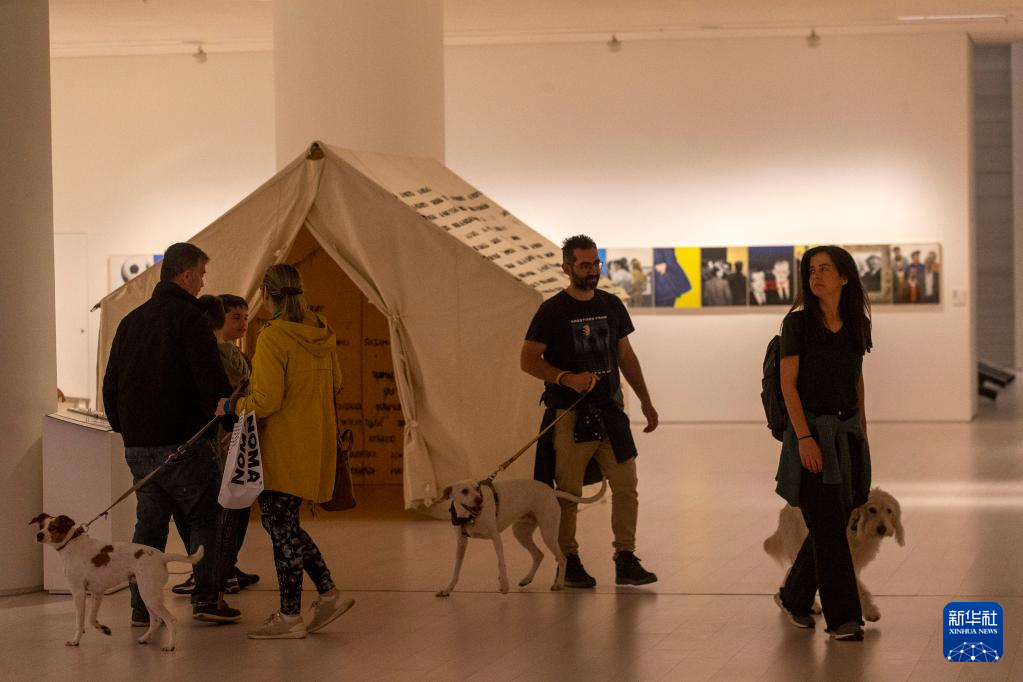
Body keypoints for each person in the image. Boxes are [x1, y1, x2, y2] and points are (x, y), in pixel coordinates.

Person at [102, 242, 241, 625]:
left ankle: (141, 607)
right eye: (201, 274)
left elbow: (110, 384)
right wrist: (227, 419)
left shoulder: (131, 321)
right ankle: (207, 599)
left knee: (148, 525)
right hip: (185, 441)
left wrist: (126, 429)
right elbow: (209, 377)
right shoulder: (190, 318)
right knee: (205, 517)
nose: (203, 282)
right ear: (186, 274)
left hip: (139, 446)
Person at [219, 263, 354, 639]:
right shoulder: (321, 330)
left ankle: (290, 616)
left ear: (266, 294)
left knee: (281, 531)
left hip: (282, 447)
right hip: (316, 444)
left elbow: (266, 400)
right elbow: (337, 383)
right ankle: (328, 594)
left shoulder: (273, 336)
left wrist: (232, 405)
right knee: (285, 526)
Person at [521, 234, 659, 588]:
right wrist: (566, 378)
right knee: (568, 493)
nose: (592, 270)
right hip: (569, 416)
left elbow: (625, 355)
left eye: (596, 263)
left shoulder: (612, 305)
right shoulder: (552, 311)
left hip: (610, 413)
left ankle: (625, 557)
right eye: (585, 265)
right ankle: (567, 561)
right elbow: (528, 360)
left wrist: (645, 399)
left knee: (626, 486)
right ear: (567, 268)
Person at [772, 244, 872, 642]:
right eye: (811, 270)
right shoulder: (797, 324)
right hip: (812, 435)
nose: (815, 276)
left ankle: (793, 597)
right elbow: (788, 385)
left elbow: (857, 380)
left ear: (844, 277)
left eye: (824, 269)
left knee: (830, 524)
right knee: (830, 531)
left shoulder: (857, 323)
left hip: (847, 436)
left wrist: (863, 433)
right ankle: (844, 619)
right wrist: (804, 438)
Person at [171, 294, 260, 596]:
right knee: (231, 504)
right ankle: (223, 567)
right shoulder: (222, 353)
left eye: (246, 317)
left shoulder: (225, 355)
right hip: (230, 436)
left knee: (218, 506)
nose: (243, 323)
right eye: (236, 317)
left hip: (226, 437)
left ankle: (217, 570)